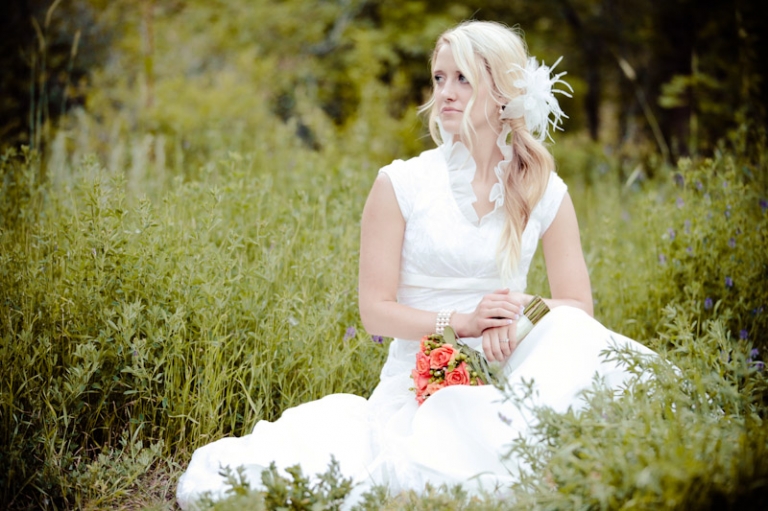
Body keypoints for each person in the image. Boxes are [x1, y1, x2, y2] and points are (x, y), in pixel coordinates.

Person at [176, 20, 654, 509]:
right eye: (439, 78)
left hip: (509, 367)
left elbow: (578, 307)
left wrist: (520, 309)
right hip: (421, 382)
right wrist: (461, 323)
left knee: (580, 354)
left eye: (463, 78)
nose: (446, 92)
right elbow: (375, 311)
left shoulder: (543, 189)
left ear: (504, 90)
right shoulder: (401, 184)